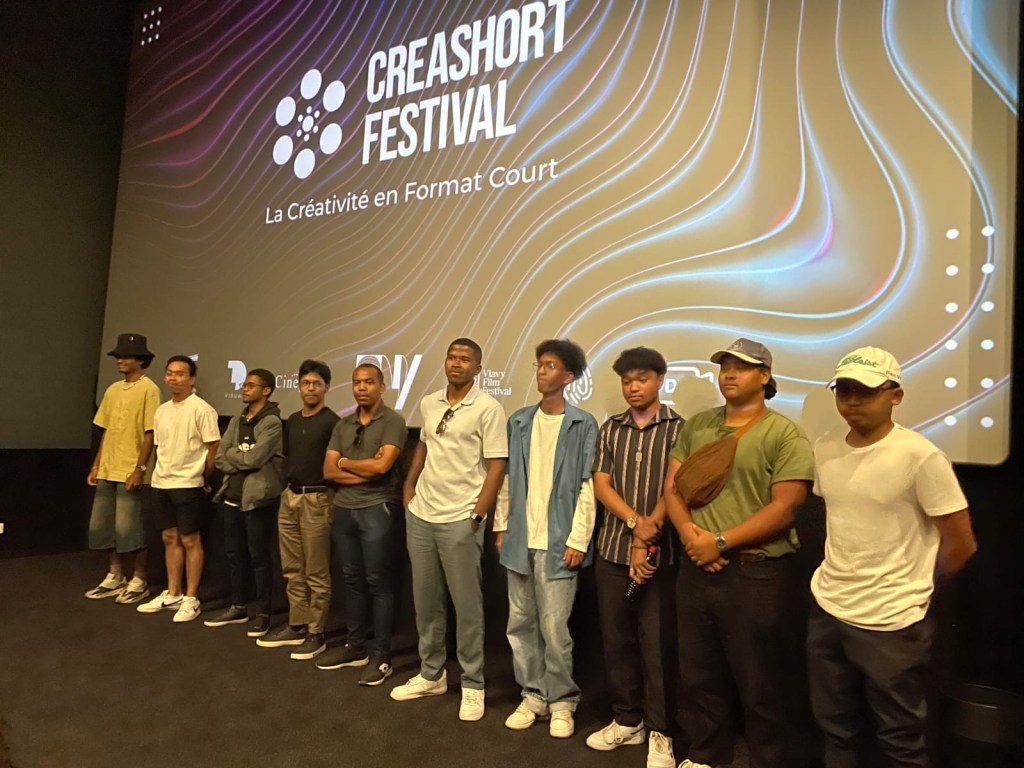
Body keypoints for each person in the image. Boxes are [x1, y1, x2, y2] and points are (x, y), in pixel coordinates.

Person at [809, 347, 977, 768]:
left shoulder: (921, 456)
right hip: (829, 609)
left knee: (900, 741)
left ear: (895, 395)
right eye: (844, 390)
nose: (852, 400)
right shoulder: (826, 448)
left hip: (892, 623)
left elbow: (962, 543)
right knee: (835, 730)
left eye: (866, 391)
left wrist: (914, 591)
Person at [663, 338, 814, 768]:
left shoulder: (783, 432)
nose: (729, 374)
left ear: (765, 376)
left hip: (755, 575)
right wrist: (692, 538)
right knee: (698, 673)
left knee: (760, 681)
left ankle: (769, 761)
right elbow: (672, 489)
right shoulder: (698, 425)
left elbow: (785, 508)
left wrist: (720, 541)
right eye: (725, 366)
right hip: (696, 569)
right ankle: (707, 754)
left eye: (742, 367)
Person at [390, 338, 508, 722]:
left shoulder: (488, 408)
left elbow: (497, 466)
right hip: (422, 516)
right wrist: (409, 486)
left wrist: (477, 515)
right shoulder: (430, 402)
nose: (456, 364)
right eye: (452, 357)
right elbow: (423, 446)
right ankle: (431, 674)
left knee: (467, 607)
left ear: (478, 368)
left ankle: (473, 684)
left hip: (461, 519)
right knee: (426, 602)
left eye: (465, 359)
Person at [493, 339, 598, 739]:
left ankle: (562, 701)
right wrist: (501, 526)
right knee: (520, 624)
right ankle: (533, 694)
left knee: (555, 629)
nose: (541, 371)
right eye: (539, 364)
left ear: (568, 376)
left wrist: (578, 540)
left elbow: (587, 486)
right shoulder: (520, 421)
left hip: (558, 543)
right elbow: (506, 480)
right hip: (520, 540)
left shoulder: (582, 424)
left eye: (550, 365)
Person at [586, 347, 683, 768]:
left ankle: (661, 730)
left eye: (642, 379)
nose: (633, 387)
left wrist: (650, 529)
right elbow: (601, 483)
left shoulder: (679, 429)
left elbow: (676, 486)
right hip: (613, 552)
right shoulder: (611, 428)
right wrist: (634, 523)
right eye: (627, 381)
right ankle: (628, 720)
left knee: (657, 644)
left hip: (660, 555)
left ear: (660, 380)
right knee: (617, 639)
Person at [316, 363, 407, 680]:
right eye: (357, 382)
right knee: (352, 580)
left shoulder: (393, 421)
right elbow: (329, 471)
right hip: (344, 509)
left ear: (382, 387)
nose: (362, 388)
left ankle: (381, 656)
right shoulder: (343, 424)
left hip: (377, 509)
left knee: (378, 582)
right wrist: (360, 469)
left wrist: (345, 463)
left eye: (369, 382)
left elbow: (383, 467)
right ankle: (355, 647)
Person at [257, 360, 339, 652]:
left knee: (316, 570)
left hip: (317, 498)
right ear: (299, 386)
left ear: (327, 388)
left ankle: (316, 632)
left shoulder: (333, 422)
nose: (311, 388)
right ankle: (296, 624)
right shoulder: (292, 420)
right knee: (292, 568)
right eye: (306, 383)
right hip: (290, 497)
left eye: (317, 384)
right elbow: (287, 457)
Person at [137, 356, 220, 622]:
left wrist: (202, 475)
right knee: (169, 537)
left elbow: (213, 448)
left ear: (192, 379)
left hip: (189, 484)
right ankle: (173, 593)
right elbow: (159, 448)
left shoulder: (202, 409)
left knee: (190, 540)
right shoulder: (161, 411)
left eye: (180, 374)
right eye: (170, 373)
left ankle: (191, 597)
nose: (174, 378)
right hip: (162, 482)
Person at [204, 368, 285, 638]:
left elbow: (254, 459)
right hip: (231, 496)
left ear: (266, 390)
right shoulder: (239, 419)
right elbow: (220, 457)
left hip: (257, 499)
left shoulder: (272, 422)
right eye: (245, 384)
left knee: (259, 557)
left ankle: (263, 613)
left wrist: (235, 456)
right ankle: (238, 606)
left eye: (251, 385)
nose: (245, 389)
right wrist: (238, 458)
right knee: (234, 555)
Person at [84, 333, 161, 605]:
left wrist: (140, 468)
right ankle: (115, 574)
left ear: (140, 360)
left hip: (131, 467)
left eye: (126, 356)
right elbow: (106, 429)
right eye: (118, 356)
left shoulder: (149, 389)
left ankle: (139, 579)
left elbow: (150, 432)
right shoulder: (113, 389)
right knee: (105, 525)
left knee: (131, 528)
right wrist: (97, 464)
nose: (120, 360)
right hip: (108, 467)